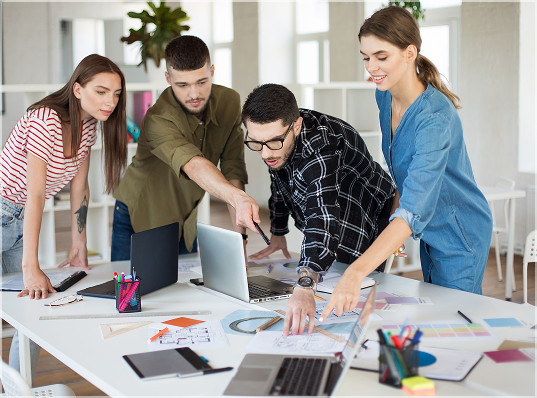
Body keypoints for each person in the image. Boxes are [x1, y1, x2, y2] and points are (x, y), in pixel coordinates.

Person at [320, 6, 493, 322]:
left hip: (459, 233)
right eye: (366, 57)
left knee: (454, 322)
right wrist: (394, 227)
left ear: (410, 52)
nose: (371, 67)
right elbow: (405, 170)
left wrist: (357, 271)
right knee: (435, 313)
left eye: (381, 57)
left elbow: (414, 208)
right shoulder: (384, 96)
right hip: (428, 227)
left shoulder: (435, 119)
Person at [1, 54, 128, 380]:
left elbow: (79, 186)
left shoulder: (89, 126)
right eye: (101, 91)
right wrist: (32, 266)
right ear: (76, 89)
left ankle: (18, 385)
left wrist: (78, 243)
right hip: (6, 210)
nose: (110, 101)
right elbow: (36, 194)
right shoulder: (45, 119)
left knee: (28, 308)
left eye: (115, 94)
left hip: (19, 221)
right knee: (27, 294)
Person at [241, 84, 395, 335]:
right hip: (331, 223)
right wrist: (278, 231)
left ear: (297, 126)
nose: (265, 153)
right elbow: (279, 178)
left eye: (273, 142)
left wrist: (304, 285)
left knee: (354, 314)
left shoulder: (323, 145)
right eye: (256, 143)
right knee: (326, 293)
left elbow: (321, 217)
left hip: (366, 222)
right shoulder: (277, 137)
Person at [111, 35, 259, 260]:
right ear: (168, 78)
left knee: (185, 291)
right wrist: (238, 199)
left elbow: (233, 168)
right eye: (183, 85)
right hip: (139, 216)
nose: (194, 94)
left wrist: (240, 242)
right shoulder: (157, 118)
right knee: (131, 294)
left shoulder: (229, 102)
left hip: (185, 219)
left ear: (212, 71)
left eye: (201, 81)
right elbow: (192, 164)